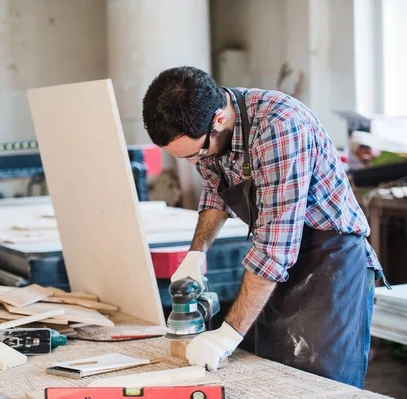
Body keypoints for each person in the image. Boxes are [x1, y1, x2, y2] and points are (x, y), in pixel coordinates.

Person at [141, 66, 390, 389]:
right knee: (270, 371)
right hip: (283, 255)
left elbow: (274, 249)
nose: (194, 163)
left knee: (318, 385)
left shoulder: (281, 127)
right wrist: (195, 254)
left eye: (197, 153)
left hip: (331, 260)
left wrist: (226, 336)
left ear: (219, 119)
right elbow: (217, 192)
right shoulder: (205, 123)